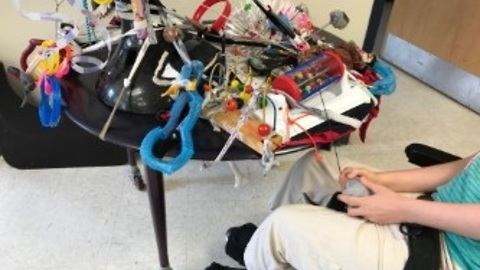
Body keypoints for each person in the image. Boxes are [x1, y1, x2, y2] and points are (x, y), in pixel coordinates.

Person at [207, 148, 480, 270]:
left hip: (449, 254)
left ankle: (271, 247)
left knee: (283, 225)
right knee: (314, 166)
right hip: (434, 206)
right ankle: (273, 255)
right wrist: (382, 181)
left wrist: (402, 209)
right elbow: (458, 169)